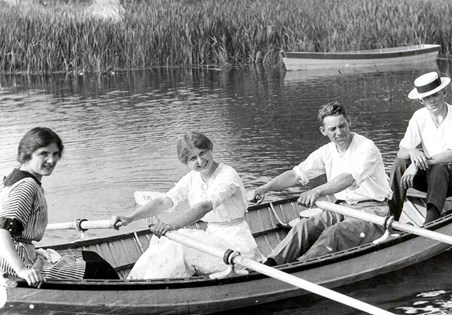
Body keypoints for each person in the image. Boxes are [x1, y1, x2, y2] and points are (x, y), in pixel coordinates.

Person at [248, 102, 391, 266]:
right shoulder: (327, 151)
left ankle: (301, 268)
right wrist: (264, 188)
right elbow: (295, 174)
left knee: (334, 234)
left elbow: (348, 178)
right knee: (304, 226)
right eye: (333, 129)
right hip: (341, 207)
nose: (339, 132)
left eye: (342, 126)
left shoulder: (366, 148)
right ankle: (270, 265)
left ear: (349, 122)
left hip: (373, 211)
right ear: (323, 131)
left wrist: (317, 191)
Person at [111, 132, 262, 279]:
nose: (200, 161)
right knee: (162, 241)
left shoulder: (228, 175)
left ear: (210, 150)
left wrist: (172, 225)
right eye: (192, 158)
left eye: (202, 153)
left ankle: (149, 287)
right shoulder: (191, 178)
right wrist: (129, 218)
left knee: (179, 244)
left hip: (236, 247)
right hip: (213, 238)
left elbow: (204, 207)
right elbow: (164, 201)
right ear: (185, 163)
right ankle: (136, 282)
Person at [0, 127, 119, 287]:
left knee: (89, 256)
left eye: (55, 154)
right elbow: (3, 230)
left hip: (20, 255)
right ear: (27, 154)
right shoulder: (26, 186)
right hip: (19, 264)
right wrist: (22, 270)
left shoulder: (13, 178)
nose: (51, 160)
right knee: (98, 268)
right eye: (44, 154)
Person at [387, 71, 452, 225]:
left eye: (435, 95)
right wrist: (412, 151)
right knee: (400, 164)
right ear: (421, 100)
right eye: (426, 97)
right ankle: (392, 218)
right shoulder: (419, 117)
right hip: (435, 176)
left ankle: (430, 224)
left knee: (439, 168)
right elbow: (401, 151)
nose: (431, 101)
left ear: (444, 92)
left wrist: (417, 164)